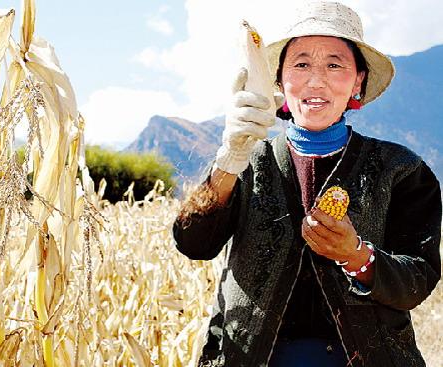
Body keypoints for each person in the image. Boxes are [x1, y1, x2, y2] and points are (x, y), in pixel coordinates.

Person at [172, 2, 442, 367]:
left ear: (357, 81)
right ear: (280, 80)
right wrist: (229, 160)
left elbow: (419, 277)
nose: (316, 80)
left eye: (335, 64)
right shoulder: (247, 161)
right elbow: (193, 243)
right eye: (301, 64)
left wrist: (356, 255)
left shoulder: (402, 170)